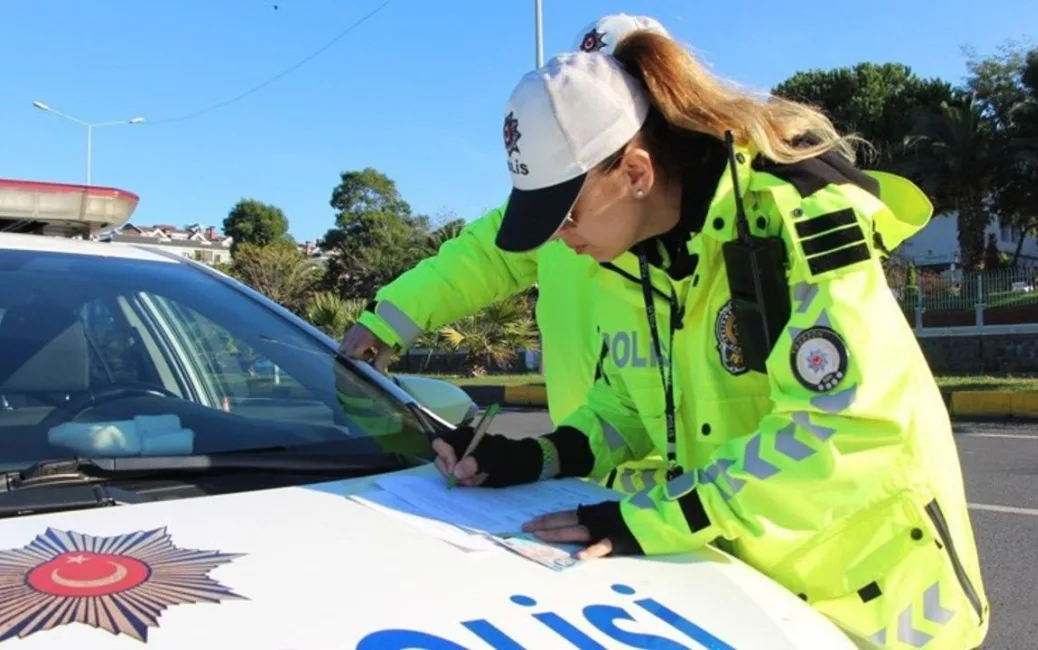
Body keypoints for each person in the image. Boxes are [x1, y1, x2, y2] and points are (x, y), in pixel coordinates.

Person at [431, 34, 989, 649]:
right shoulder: (632, 259)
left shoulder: (796, 212)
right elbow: (625, 409)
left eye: (564, 216)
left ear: (636, 173)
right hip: (747, 598)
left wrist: (657, 519)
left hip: (878, 606)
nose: (558, 239)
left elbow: (845, 424)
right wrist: (531, 458)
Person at [337, 13, 759, 494]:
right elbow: (483, 257)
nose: (564, 236)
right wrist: (390, 319)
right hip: (586, 465)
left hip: (708, 494)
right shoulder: (558, 214)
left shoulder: (750, 219)